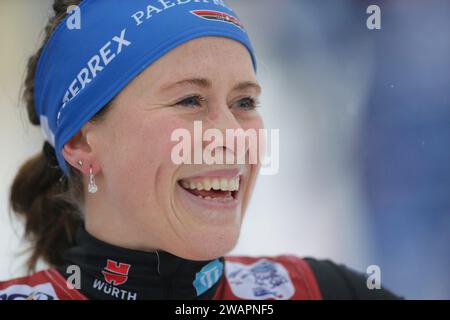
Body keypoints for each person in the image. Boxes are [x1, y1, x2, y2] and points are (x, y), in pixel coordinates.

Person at [0, 0, 400, 300]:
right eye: (190, 100)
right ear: (81, 142)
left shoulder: (323, 291)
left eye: (244, 103)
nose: (231, 136)